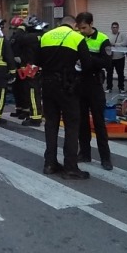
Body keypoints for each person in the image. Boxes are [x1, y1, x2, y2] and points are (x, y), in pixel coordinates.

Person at [36, 15, 93, 179]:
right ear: (74, 25)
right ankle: (70, 166)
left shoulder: (46, 36)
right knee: (71, 125)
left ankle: (49, 163)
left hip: (47, 85)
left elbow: (38, 60)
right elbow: (87, 64)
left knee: (51, 124)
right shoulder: (76, 37)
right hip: (68, 87)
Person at [75, 12, 114, 171]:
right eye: (79, 28)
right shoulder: (77, 37)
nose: (82, 30)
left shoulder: (102, 39)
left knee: (99, 122)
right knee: (82, 121)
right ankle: (84, 153)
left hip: (94, 83)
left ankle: (105, 158)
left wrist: (88, 60)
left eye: (84, 27)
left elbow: (107, 62)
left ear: (91, 24)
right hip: (80, 83)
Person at [14, 16, 45, 127]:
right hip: (41, 68)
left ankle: (35, 118)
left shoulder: (30, 37)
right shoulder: (42, 36)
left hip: (32, 69)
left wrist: (21, 27)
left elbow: (17, 38)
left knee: (33, 93)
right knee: (37, 93)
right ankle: (36, 114)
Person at [9, 16, 29, 119]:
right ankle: (20, 109)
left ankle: (25, 110)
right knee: (18, 89)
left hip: (22, 66)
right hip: (18, 66)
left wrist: (21, 59)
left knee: (22, 89)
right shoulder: (19, 35)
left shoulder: (21, 36)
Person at [106, 21, 126, 93]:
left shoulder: (122, 35)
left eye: (116, 27)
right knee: (109, 73)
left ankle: (121, 88)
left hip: (120, 58)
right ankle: (109, 87)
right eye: (113, 27)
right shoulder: (108, 35)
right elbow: (105, 44)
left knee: (120, 73)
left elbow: (125, 43)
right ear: (111, 28)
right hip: (111, 58)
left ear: (118, 28)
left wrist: (115, 44)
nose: (114, 29)